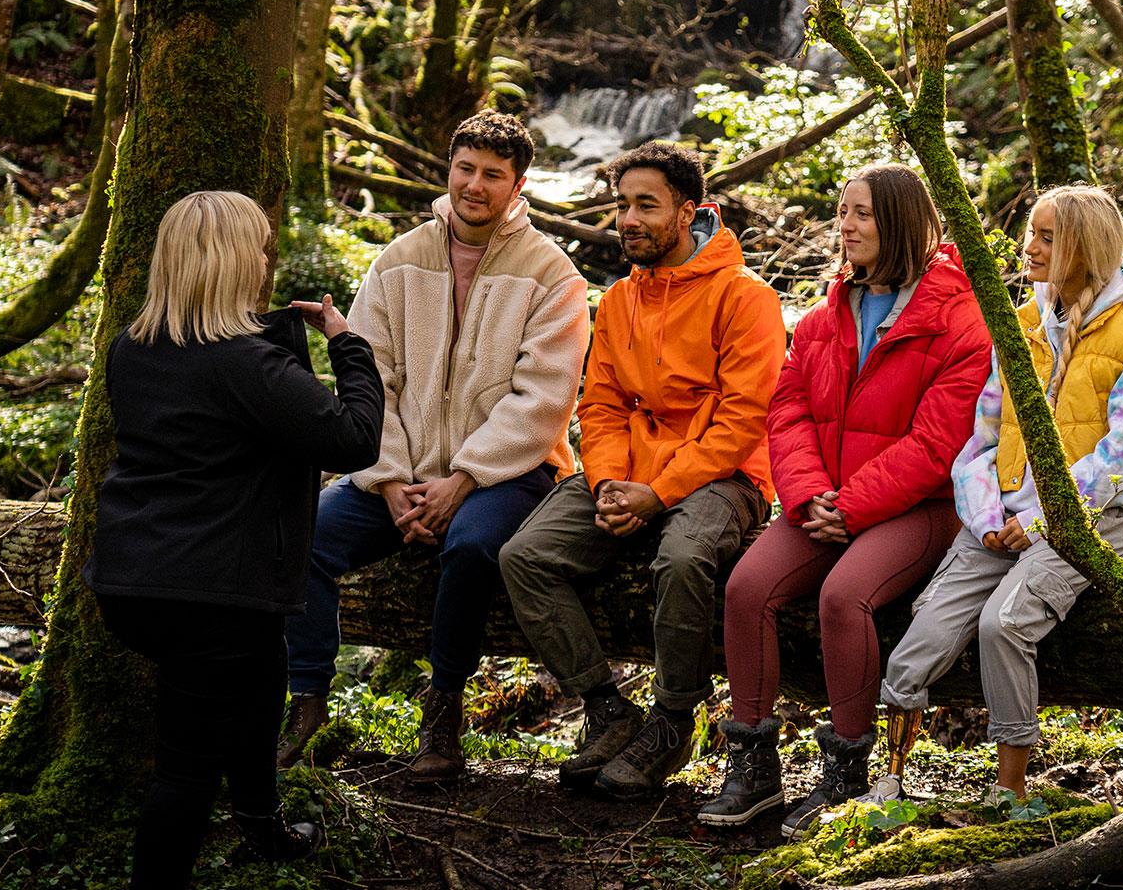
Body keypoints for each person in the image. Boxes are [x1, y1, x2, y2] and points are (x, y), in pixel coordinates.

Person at [278, 111, 590, 785]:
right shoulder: (399, 259)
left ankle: (442, 712)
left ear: (520, 184)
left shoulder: (552, 273)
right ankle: (306, 699)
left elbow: (542, 399)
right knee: (299, 535)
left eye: (493, 175)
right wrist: (390, 479)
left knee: (473, 547)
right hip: (399, 471)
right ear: (449, 170)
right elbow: (368, 375)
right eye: (465, 169)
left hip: (509, 472)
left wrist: (465, 479)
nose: (475, 186)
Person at [87, 190, 383, 889]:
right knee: (186, 768)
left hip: (136, 578)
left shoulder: (135, 347)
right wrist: (347, 345)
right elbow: (353, 438)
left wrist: (279, 338)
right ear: (229, 261)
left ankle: (262, 824)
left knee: (263, 670)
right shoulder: (243, 364)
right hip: (205, 593)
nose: (264, 259)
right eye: (257, 246)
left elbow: (235, 421)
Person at [697, 164, 991, 835]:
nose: (846, 226)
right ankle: (753, 769)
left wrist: (853, 506)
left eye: (861, 214)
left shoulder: (960, 320)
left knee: (843, 596)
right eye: (842, 211)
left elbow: (936, 443)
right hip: (822, 501)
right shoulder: (831, 306)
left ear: (900, 223)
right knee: (746, 588)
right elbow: (788, 405)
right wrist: (808, 496)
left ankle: (846, 775)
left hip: (921, 508)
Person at [874, 184, 1123, 803]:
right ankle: (891, 781)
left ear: (1082, 247)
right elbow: (983, 434)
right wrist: (987, 512)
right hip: (1002, 515)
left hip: (1094, 519)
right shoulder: (1023, 325)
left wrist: (1041, 521)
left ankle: (1009, 791)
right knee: (921, 638)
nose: (1028, 247)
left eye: (1046, 236)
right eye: (1030, 232)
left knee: (1003, 624)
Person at [499, 141, 784, 798]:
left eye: (645, 206)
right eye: (622, 205)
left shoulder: (747, 298)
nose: (627, 219)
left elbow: (743, 419)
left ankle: (672, 720)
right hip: (625, 474)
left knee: (683, 561)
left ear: (689, 212)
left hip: (724, 476)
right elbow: (597, 404)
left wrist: (657, 494)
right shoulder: (622, 299)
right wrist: (605, 485)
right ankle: (606, 709)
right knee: (525, 556)